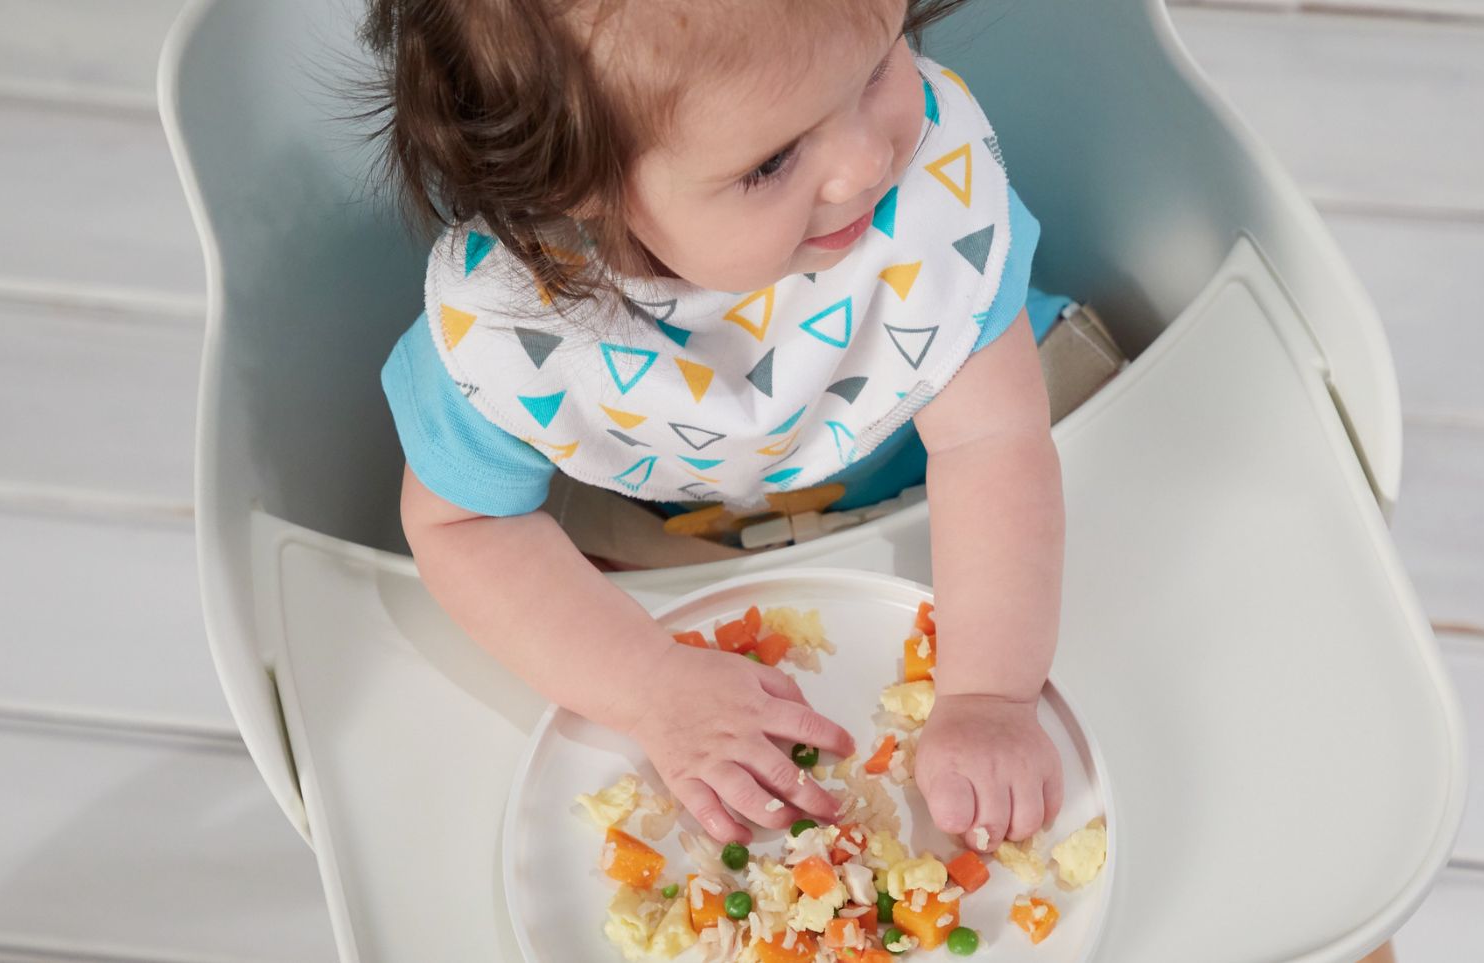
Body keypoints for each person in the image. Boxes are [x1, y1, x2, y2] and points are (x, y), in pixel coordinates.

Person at [371, 0, 1065, 857]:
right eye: (772, 162)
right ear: (579, 189)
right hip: (684, 526)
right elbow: (463, 525)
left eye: (881, 63)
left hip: (938, 467)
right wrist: (649, 685)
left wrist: (992, 696)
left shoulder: (925, 199)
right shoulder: (523, 325)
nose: (868, 160)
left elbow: (990, 438)